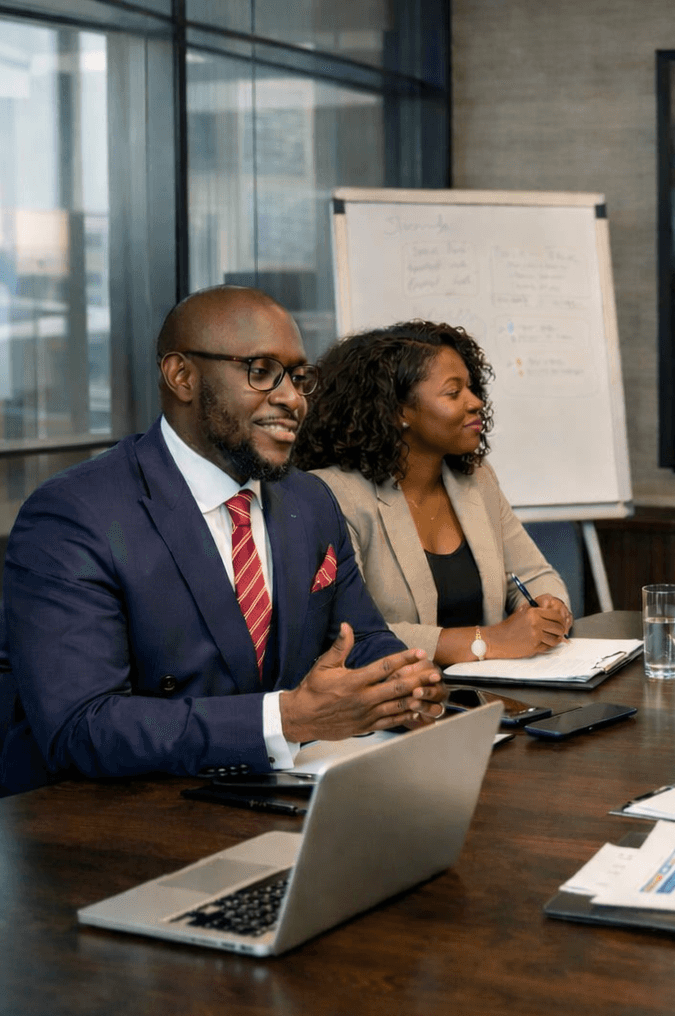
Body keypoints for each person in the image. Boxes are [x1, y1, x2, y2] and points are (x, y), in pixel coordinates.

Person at [0, 286, 445, 795]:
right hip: (110, 826)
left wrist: (401, 683)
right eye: (261, 371)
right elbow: (84, 726)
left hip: (274, 800)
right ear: (182, 376)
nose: (292, 398)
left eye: (299, 378)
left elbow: (360, 637)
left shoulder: (310, 500)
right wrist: (285, 719)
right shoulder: (74, 515)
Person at [294, 321, 572, 666]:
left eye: (471, 388)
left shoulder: (477, 480)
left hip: (492, 696)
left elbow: (533, 575)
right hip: (394, 706)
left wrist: (549, 607)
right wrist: (488, 641)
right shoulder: (334, 495)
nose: (476, 403)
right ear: (399, 411)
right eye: (454, 393)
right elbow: (351, 632)